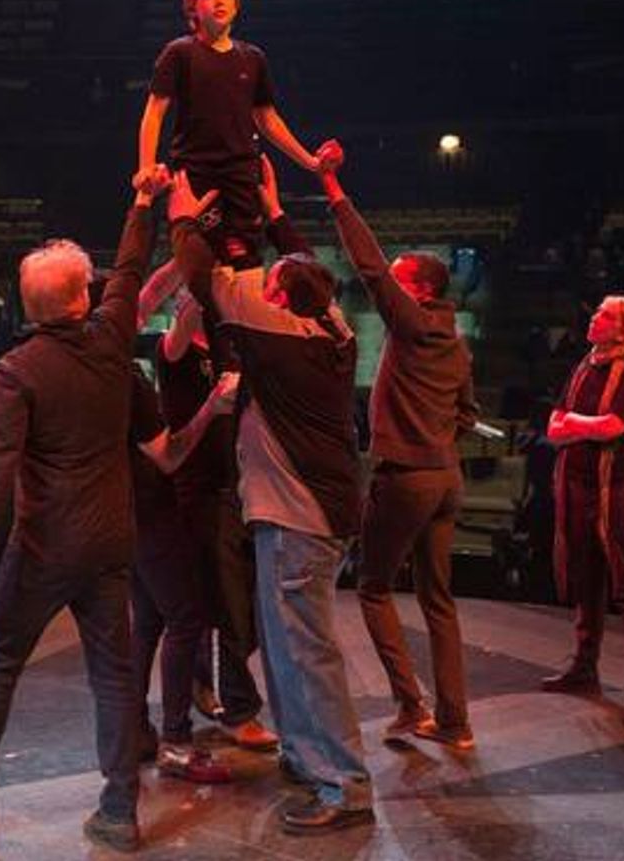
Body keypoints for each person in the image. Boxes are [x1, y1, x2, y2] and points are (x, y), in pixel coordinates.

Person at [0, 173, 166, 854]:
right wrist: (143, 203)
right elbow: (134, 269)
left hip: (47, 545)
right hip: (111, 539)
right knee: (114, 675)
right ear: (82, 297)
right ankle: (119, 811)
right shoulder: (113, 339)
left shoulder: (17, 370)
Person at [168, 170, 374, 835]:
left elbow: (201, 274)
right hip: (298, 511)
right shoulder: (333, 327)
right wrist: (278, 211)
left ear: (279, 298)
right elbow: (306, 266)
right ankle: (306, 754)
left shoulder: (278, 338)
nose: (262, 284)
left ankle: (344, 783)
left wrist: (184, 214)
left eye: (271, 282)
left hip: (298, 517)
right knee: (287, 649)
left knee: (306, 651)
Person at [311, 149, 479, 750]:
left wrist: (333, 188)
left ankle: (412, 705)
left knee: (373, 588)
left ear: (419, 289)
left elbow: (371, 267)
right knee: (440, 602)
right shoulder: (455, 343)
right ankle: (456, 725)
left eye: (402, 280)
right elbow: (468, 413)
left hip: (406, 476)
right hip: (445, 477)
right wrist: (433, 439)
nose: (391, 285)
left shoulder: (410, 323)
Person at [141, 267, 278, 753]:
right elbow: (178, 329)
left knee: (232, 606)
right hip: (198, 493)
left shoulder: (228, 348)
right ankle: (238, 709)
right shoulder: (174, 347)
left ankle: (204, 686)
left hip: (235, 488)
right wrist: (197, 271)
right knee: (229, 606)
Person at [135, 0, 329, 259]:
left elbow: (267, 118)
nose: (220, 0)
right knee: (197, 261)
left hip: (241, 174)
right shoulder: (179, 53)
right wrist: (146, 167)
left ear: (237, 6)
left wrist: (310, 162)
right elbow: (154, 112)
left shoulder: (252, 58)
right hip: (196, 173)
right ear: (192, 7)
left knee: (245, 260)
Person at [542, 295, 624, 726]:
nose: (595, 317)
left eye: (605, 315)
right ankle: (584, 664)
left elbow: (615, 426)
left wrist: (574, 425)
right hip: (577, 482)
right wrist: (578, 426)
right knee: (586, 574)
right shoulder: (584, 366)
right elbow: (553, 427)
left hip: (620, 487)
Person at [126, 356, 243, 783]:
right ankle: (175, 742)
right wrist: (212, 406)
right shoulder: (126, 378)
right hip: (151, 512)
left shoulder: (91, 367)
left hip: (125, 513)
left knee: (148, 624)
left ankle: (134, 731)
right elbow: (170, 456)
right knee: (187, 616)